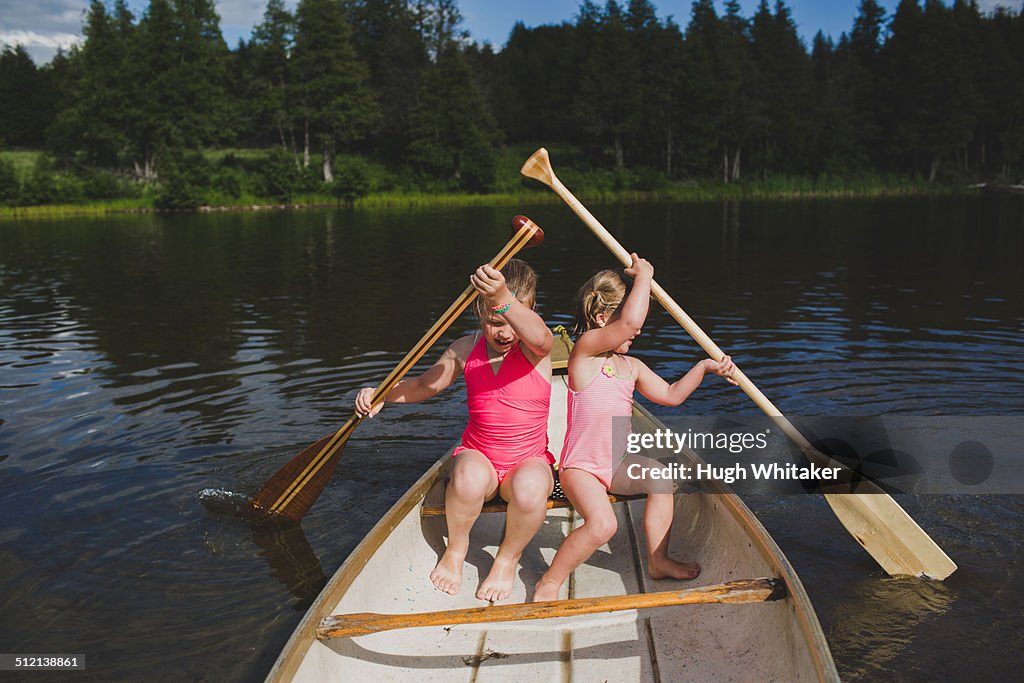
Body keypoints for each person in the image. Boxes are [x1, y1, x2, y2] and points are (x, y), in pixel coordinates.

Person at [532, 254, 737, 603]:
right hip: (580, 468)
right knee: (603, 525)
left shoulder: (632, 367)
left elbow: (671, 396)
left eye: (636, 319)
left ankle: (657, 560)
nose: (637, 329)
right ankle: (550, 580)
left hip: (615, 464)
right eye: (625, 317)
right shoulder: (585, 354)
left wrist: (703, 368)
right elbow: (629, 324)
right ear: (601, 319)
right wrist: (645, 276)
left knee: (661, 478)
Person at [355, 259, 554, 602]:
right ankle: (457, 550)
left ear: (529, 311)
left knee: (531, 487)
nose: (505, 333)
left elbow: (542, 337)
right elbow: (423, 385)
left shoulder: (535, 347)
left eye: (512, 321)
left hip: (529, 460)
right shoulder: (466, 348)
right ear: (479, 311)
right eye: (494, 322)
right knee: (466, 478)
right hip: (481, 456)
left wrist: (504, 299)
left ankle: (507, 560)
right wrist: (382, 394)